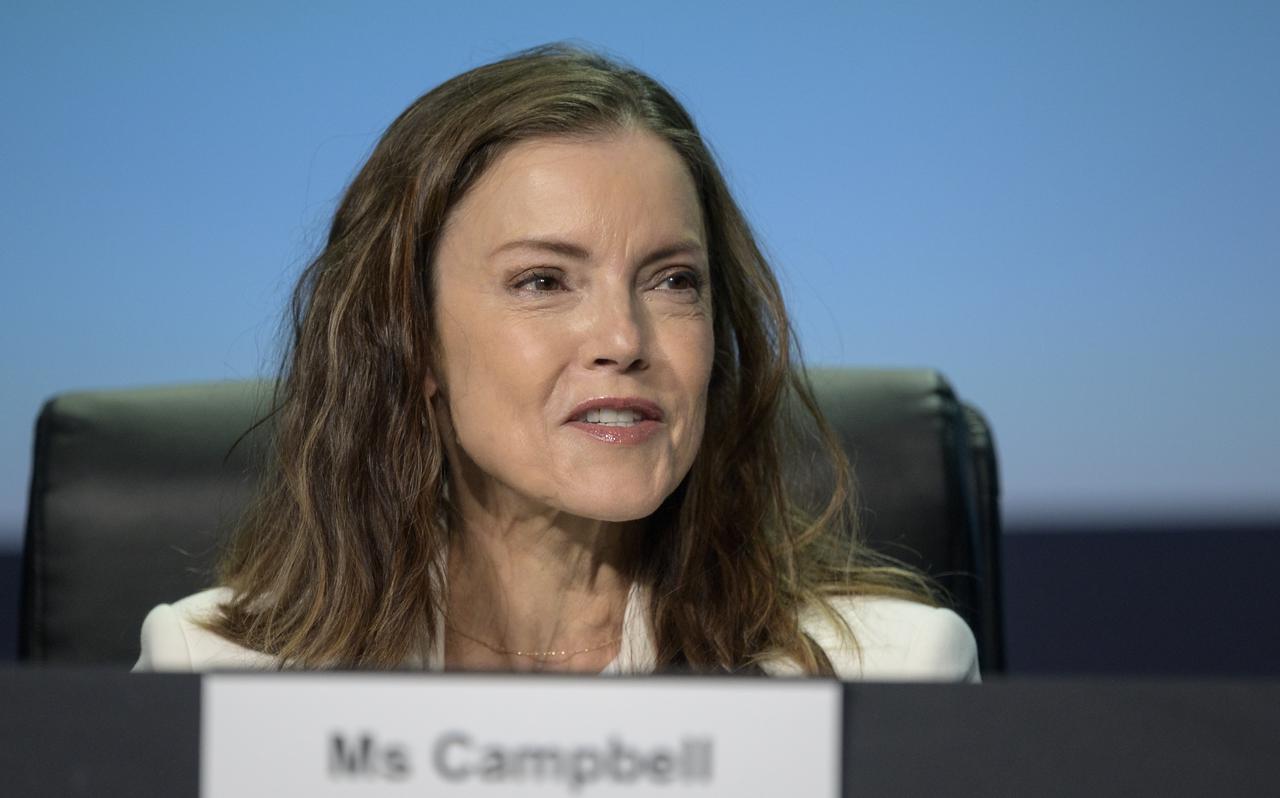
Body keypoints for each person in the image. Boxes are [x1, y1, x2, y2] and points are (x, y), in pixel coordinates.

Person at [134, 43, 979, 680]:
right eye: (543, 280)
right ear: (413, 339)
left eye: (673, 280)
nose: (624, 337)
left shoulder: (891, 676)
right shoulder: (216, 678)